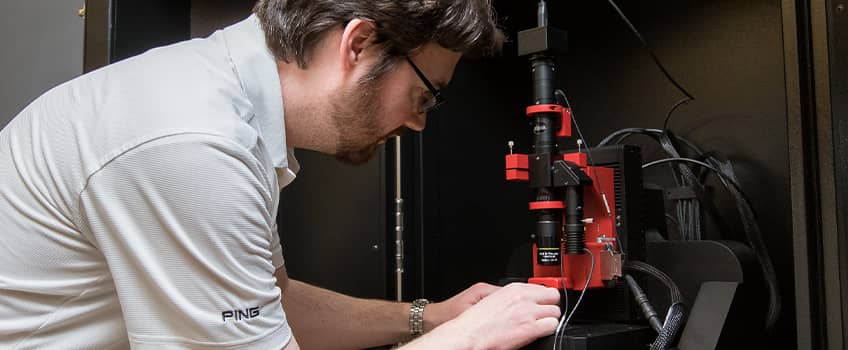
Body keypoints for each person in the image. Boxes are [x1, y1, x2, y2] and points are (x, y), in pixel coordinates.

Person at [0, 1, 561, 349]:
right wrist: (467, 341)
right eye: (424, 94)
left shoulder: (222, 105)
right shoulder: (197, 142)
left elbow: (273, 305)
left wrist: (429, 318)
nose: (417, 122)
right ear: (358, 44)